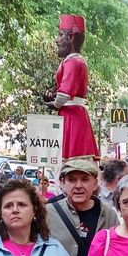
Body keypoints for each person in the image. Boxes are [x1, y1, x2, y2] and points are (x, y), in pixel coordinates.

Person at [44, 158, 118, 256]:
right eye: (72, 180)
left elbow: (117, 251)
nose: (78, 186)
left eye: (84, 179)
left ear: (95, 183)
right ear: (63, 183)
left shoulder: (109, 215)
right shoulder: (49, 213)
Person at [44, 14, 98, 160]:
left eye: (61, 35)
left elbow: (64, 94)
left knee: (70, 161)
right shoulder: (77, 61)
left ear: (71, 37)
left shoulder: (72, 62)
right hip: (76, 116)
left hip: (71, 117)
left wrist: (54, 103)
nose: (57, 40)